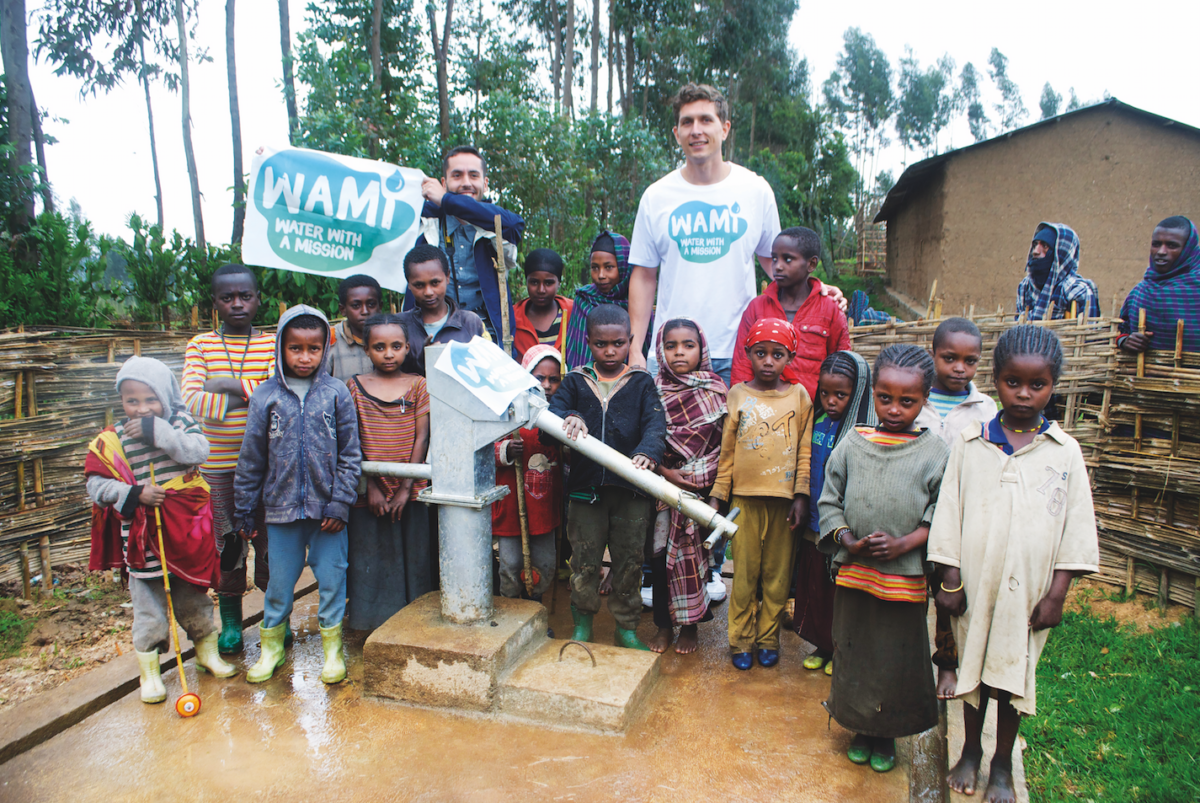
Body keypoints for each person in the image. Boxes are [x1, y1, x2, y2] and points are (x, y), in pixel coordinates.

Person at [930, 325, 1098, 803]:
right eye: (1012, 382)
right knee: (972, 671)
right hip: (974, 585)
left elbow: (1077, 529)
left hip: (1029, 594)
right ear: (996, 380)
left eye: (1037, 384)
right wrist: (950, 577)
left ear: (1053, 385)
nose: (1024, 394)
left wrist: (1057, 595)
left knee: (1011, 678)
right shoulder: (971, 443)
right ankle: (970, 752)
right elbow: (949, 511)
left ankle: (1001, 764)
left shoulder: (1064, 452)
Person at [627, 83, 845, 385]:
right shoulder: (656, 196)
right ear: (676, 133)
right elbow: (643, 276)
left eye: (706, 120)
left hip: (741, 351)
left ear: (725, 128)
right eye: (687, 122)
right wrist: (635, 349)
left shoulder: (755, 190)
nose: (696, 130)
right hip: (672, 352)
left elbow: (775, 261)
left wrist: (815, 288)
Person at [817, 344, 949, 774]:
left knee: (897, 655)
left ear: (925, 399)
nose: (894, 409)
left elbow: (941, 512)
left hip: (903, 577)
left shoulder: (936, 452)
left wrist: (905, 543)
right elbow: (830, 499)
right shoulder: (853, 443)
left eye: (907, 401)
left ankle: (887, 732)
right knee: (853, 649)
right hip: (855, 573)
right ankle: (859, 726)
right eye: (885, 398)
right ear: (872, 393)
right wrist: (847, 539)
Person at [86, 357, 236, 703]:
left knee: (193, 598)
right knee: (149, 609)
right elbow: (96, 484)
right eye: (132, 401)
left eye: (150, 399)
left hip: (185, 532)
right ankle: (150, 675)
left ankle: (207, 654)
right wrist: (132, 493)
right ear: (121, 401)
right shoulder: (113, 439)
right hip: (142, 541)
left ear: (166, 396)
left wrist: (160, 433)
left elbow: (199, 451)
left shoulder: (181, 423)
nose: (141, 409)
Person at [235, 305, 362, 685]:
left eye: (313, 349)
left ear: (325, 349)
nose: (305, 357)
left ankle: (332, 652)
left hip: (328, 514)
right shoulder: (265, 396)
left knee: (332, 581)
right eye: (295, 348)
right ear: (281, 347)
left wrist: (340, 503)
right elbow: (251, 457)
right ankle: (272, 649)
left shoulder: (337, 393)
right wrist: (245, 510)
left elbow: (351, 454)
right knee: (278, 584)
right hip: (280, 512)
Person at [547, 304, 665, 651]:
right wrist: (569, 416)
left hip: (631, 490)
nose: (610, 351)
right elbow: (550, 417)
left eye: (618, 343)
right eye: (601, 344)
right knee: (584, 561)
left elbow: (656, 424)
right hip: (585, 491)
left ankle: (626, 629)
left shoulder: (641, 383)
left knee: (629, 562)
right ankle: (582, 625)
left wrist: (648, 451)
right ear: (588, 342)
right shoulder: (575, 381)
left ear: (630, 340)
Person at [181, 264, 278, 655]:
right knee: (228, 545)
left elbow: (279, 394)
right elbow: (191, 399)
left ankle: (277, 618)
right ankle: (233, 623)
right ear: (215, 303)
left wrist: (223, 385)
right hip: (218, 469)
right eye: (227, 297)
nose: (237, 303)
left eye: (245, 296)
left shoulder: (272, 344)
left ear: (258, 299)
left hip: (269, 467)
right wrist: (251, 394)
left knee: (273, 543)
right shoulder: (201, 345)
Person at [709, 319, 813, 671]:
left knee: (777, 577)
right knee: (744, 576)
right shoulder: (737, 394)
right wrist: (718, 496)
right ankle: (740, 640)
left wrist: (801, 495)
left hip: (784, 504)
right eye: (760, 353)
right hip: (744, 502)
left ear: (790, 357)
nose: (768, 361)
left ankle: (768, 639)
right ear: (748, 354)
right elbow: (727, 453)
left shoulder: (799, 396)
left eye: (777, 354)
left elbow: (804, 451)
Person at [914, 316, 998, 699]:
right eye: (950, 358)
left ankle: (947, 663)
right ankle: (910, 661)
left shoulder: (985, 408)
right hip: (915, 511)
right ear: (933, 354)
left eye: (970, 360)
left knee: (950, 590)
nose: (960, 368)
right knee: (910, 589)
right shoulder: (916, 399)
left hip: (960, 518)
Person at [345, 313, 432, 631]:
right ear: (366, 350)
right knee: (372, 554)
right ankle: (372, 623)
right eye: (379, 347)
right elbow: (351, 439)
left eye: (396, 346)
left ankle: (416, 622)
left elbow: (422, 437)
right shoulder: (354, 387)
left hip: (412, 488)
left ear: (407, 347)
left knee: (415, 553)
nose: (388, 353)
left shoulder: (418, 385)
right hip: (370, 489)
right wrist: (370, 485)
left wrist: (406, 488)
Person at [792, 351, 876, 677]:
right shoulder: (817, 422)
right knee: (815, 585)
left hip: (843, 527)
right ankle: (822, 644)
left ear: (858, 393)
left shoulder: (864, 432)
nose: (830, 401)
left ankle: (843, 648)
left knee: (841, 590)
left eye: (840, 395)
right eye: (824, 393)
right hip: (814, 522)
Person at [648, 318, 728, 655]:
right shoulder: (652, 390)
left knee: (696, 560)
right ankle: (664, 627)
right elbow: (646, 439)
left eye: (688, 345)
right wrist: (666, 472)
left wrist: (714, 494)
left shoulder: (717, 390)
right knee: (659, 560)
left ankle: (691, 626)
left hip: (703, 489)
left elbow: (725, 448)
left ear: (702, 349)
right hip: (662, 490)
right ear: (660, 351)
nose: (679, 352)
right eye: (671, 346)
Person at [412, 145, 524, 345]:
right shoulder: (425, 221)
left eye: (473, 175)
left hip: (487, 337)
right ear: (443, 183)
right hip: (432, 335)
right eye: (457, 175)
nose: (466, 183)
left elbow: (514, 225)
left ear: (485, 183)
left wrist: (447, 200)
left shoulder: (495, 223)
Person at [730, 226, 851, 400]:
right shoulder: (757, 308)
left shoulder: (830, 309)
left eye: (787, 259)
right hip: (762, 408)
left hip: (813, 409)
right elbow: (742, 365)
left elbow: (842, 365)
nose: (777, 266)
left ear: (811, 264)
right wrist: (741, 405)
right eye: (774, 258)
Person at [493, 345, 565, 608]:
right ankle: (511, 613)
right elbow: (483, 450)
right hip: (511, 507)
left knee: (543, 563)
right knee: (510, 564)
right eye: (539, 378)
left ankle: (535, 611)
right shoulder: (507, 412)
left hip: (544, 509)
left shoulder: (560, 415)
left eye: (553, 379)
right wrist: (505, 450)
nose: (546, 385)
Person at [397, 244, 487, 375]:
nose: (428, 292)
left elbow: (486, 370)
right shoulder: (398, 326)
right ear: (409, 284)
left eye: (435, 283)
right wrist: (423, 359)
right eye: (419, 285)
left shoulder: (471, 323)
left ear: (447, 277)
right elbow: (389, 376)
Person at [1118, 216, 1200, 355]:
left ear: (1188, 250)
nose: (1161, 252)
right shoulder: (1140, 291)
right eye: (1156, 244)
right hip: (1148, 369)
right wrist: (1124, 341)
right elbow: (1119, 330)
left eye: (1172, 245)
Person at [562, 231, 633, 370]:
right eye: (595, 268)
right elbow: (576, 354)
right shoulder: (584, 299)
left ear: (623, 266)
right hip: (585, 379)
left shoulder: (637, 303)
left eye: (608, 267)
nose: (601, 275)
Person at [1016, 223, 1099, 321]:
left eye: (1045, 246)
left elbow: (1088, 328)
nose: (1035, 251)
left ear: (1061, 253)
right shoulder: (1025, 287)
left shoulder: (1076, 291)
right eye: (1035, 245)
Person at [513, 249, 573, 360]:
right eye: (534, 282)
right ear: (526, 281)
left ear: (559, 283)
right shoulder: (513, 318)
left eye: (548, 283)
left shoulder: (573, 313)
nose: (541, 290)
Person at [328, 274, 383, 381]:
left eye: (371, 304)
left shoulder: (393, 337)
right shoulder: (330, 340)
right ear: (343, 309)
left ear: (379, 307)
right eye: (356, 306)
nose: (365, 311)